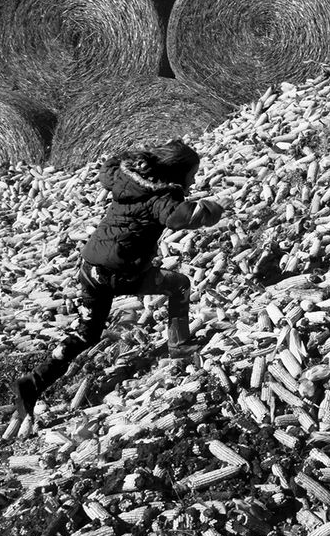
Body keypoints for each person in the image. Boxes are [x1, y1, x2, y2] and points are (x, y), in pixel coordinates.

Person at [12, 138, 226, 420]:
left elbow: (109, 166)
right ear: (178, 174)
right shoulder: (161, 198)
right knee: (179, 284)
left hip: (90, 268)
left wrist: (139, 155)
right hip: (122, 274)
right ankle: (178, 344)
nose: (194, 180)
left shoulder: (124, 178)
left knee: (85, 334)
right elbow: (180, 218)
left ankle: (33, 382)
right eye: (192, 175)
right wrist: (214, 208)